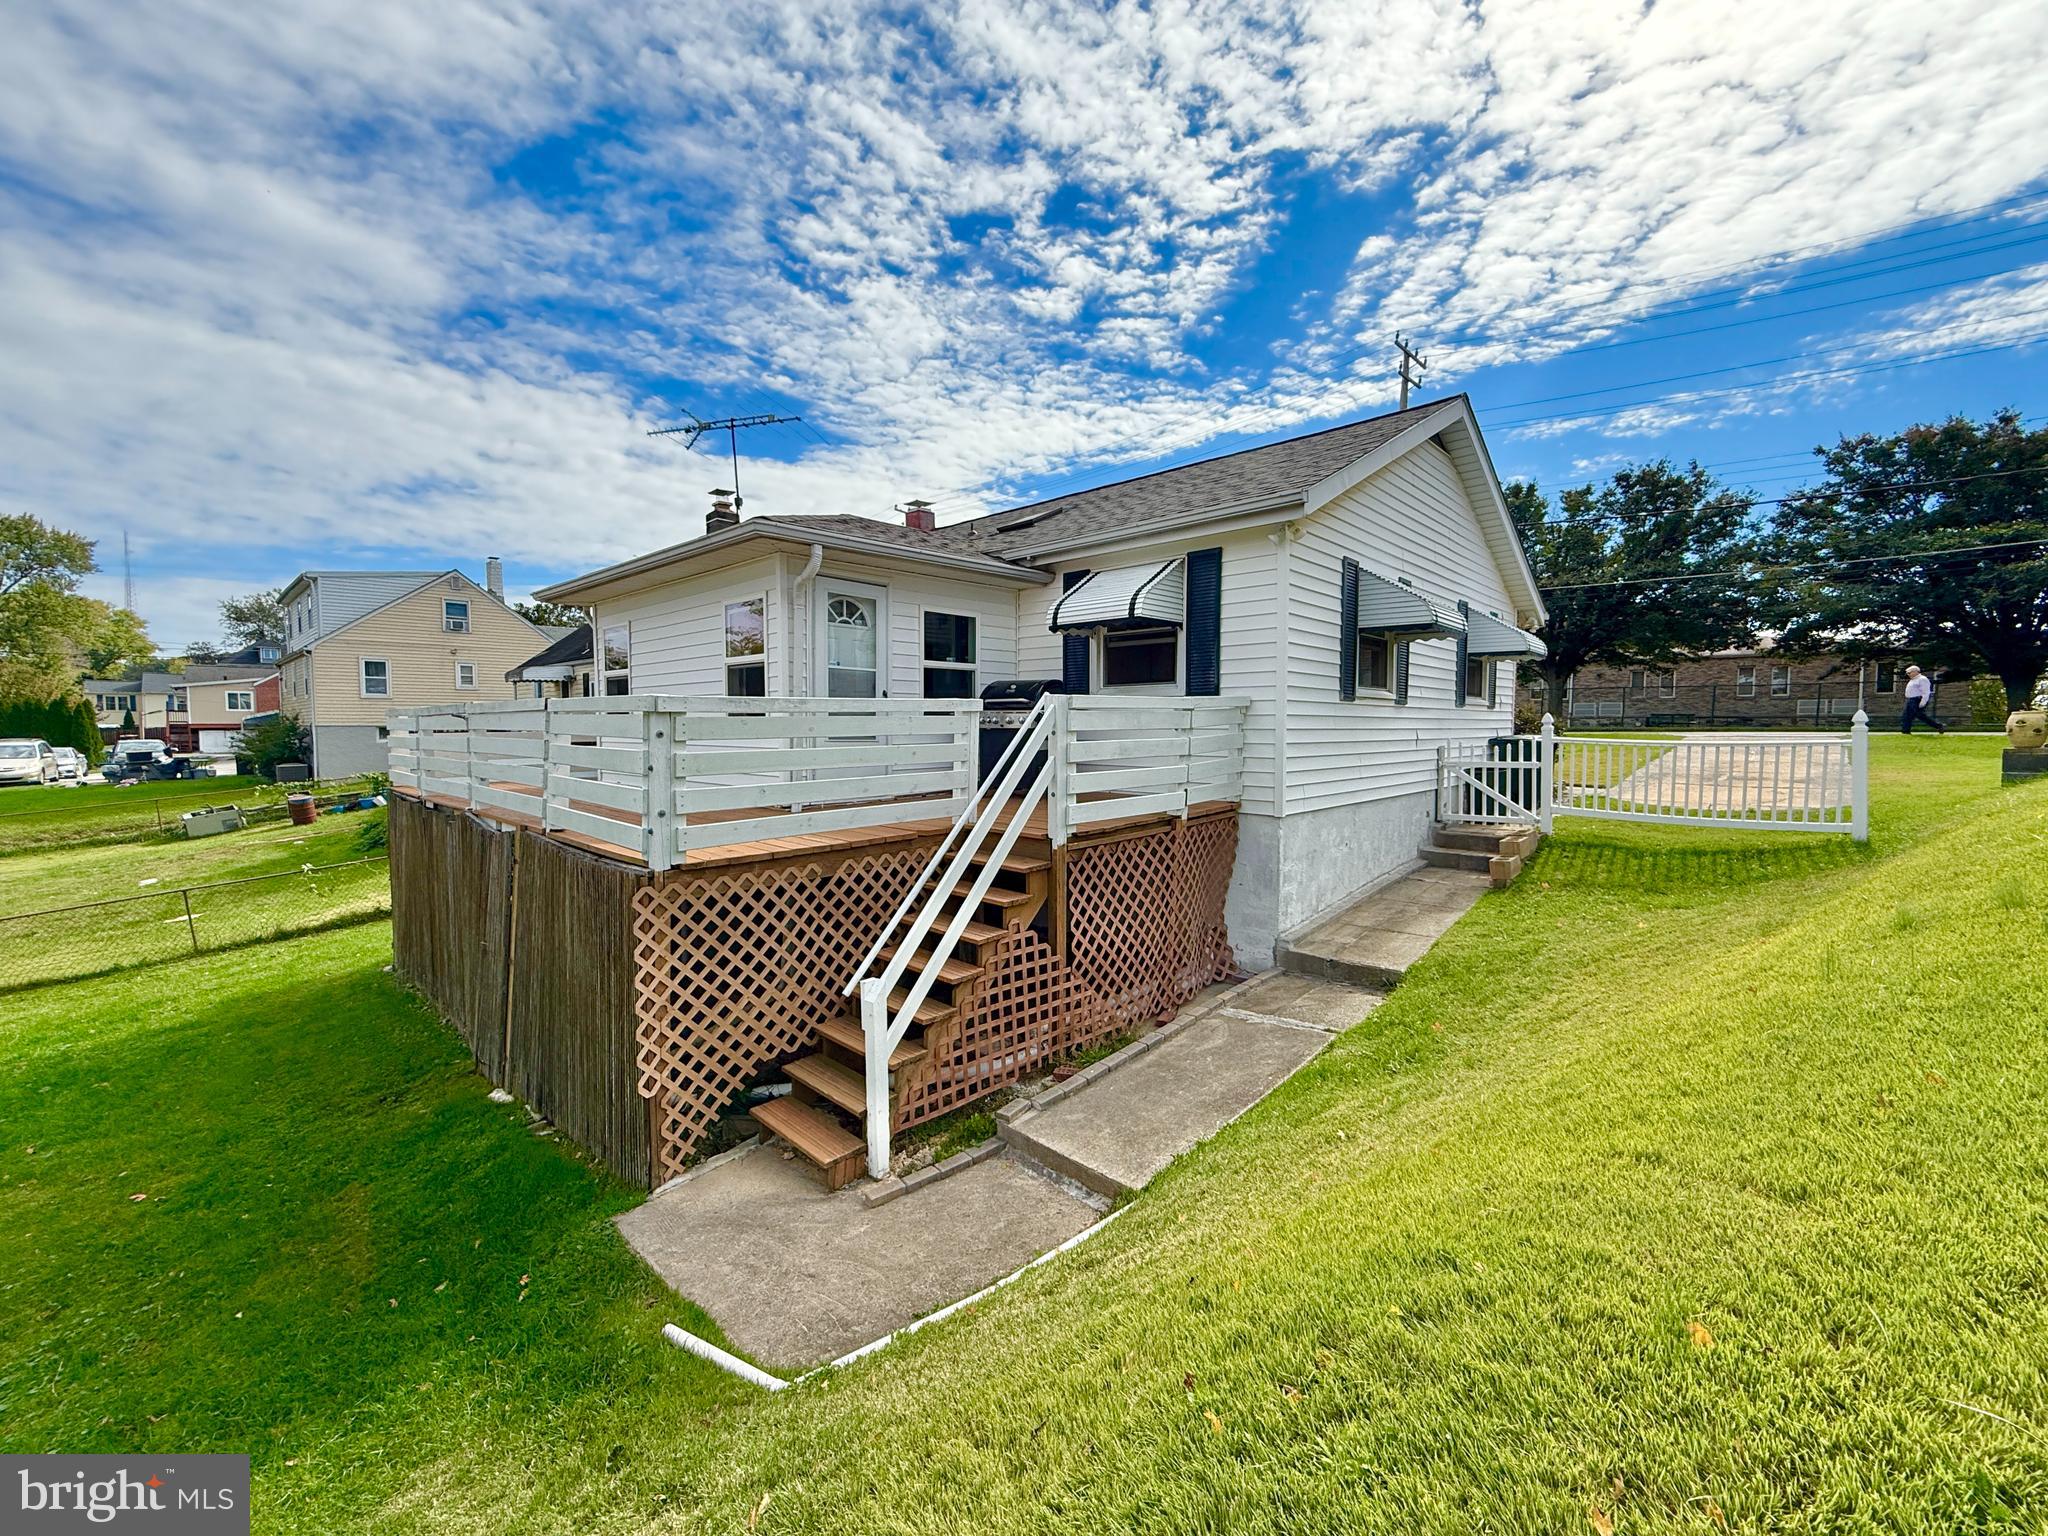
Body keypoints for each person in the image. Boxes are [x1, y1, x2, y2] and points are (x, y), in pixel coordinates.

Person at [1899, 664, 1946, 735]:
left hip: (1917, 700)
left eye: (1909, 673)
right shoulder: (1913, 680)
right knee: (1907, 716)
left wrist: (1923, 702)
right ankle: (1905, 731)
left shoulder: (1922, 679)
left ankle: (1938, 725)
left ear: (1915, 672)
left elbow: (1926, 692)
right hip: (1911, 700)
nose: (1908, 674)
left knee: (1920, 715)